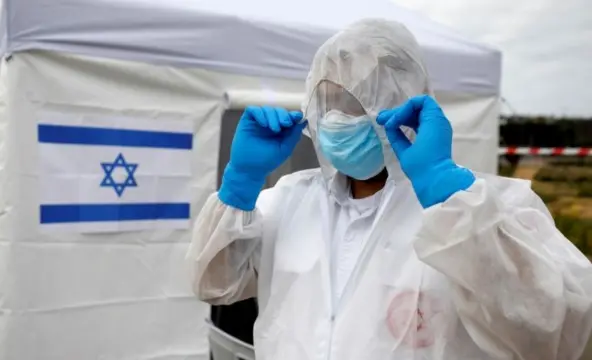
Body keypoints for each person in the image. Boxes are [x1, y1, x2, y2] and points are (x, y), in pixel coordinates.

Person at [186, 19, 592, 360]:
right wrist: (238, 187)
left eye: (353, 104)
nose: (334, 120)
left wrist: (449, 195)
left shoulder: (478, 211)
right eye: (325, 102)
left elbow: (560, 332)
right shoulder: (289, 200)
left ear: (402, 104)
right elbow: (214, 283)